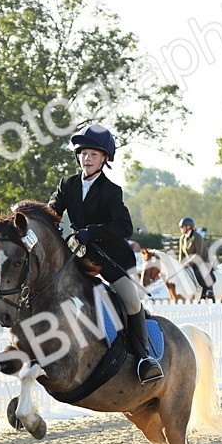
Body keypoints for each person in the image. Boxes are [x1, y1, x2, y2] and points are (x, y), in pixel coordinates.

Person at [48, 123, 162, 383]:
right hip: (78, 257)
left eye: (93, 155)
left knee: (132, 301)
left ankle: (145, 357)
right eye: (83, 154)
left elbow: (124, 227)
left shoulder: (111, 191)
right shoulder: (68, 185)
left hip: (110, 259)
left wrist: (93, 231)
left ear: (104, 159)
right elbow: (51, 212)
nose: (86, 159)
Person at [177, 216, 213, 301]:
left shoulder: (197, 236)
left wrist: (188, 262)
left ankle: (208, 292)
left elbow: (198, 253)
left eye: (182, 227)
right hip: (189, 263)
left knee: (199, 272)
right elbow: (181, 253)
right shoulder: (182, 238)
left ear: (188, 227)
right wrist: (179, 263)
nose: (181, 229)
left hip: (203, 262)